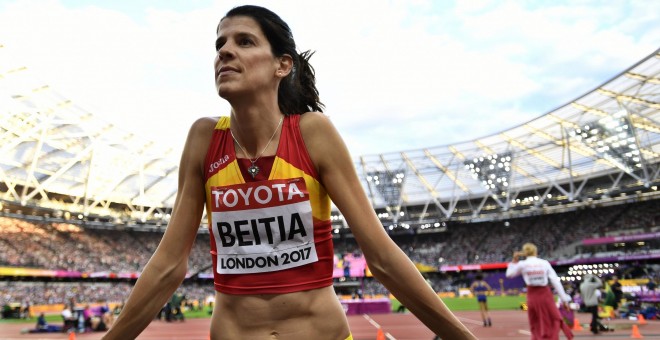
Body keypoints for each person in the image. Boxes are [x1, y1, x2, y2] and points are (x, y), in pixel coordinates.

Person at [102, 5, 475, 340]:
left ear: (282, 65)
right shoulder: (203, 138)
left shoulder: (313, 133)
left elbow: (380, 257)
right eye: (220, 44)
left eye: (244, 41)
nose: (224, 51)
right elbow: (168, 266)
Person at [506, 242, 573, 339]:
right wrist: (565, 300)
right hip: (545, 295)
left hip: (532, 296)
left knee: (535, 321)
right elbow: (555, 281)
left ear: (525, 253)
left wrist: (514, 260)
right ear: (535, 252)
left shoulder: (522, 264)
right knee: (554, 318)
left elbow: (509, 274)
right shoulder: (544, 263)